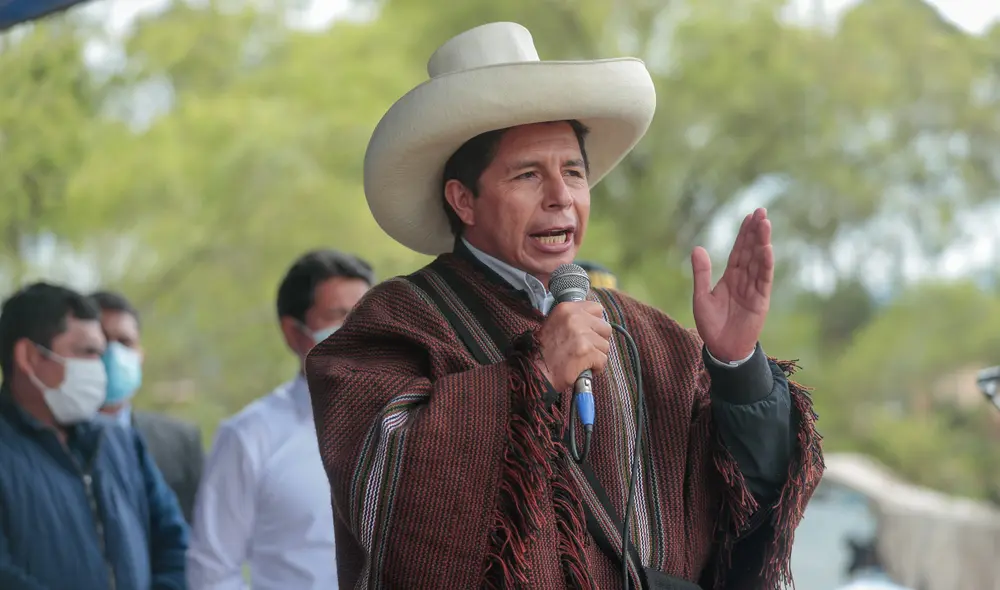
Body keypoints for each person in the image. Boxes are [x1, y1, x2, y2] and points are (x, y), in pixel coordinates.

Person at [306, 22, 824, 590]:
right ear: (463, 200)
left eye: (573, 172)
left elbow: (751, 500)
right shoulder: (393, 325)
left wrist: (735, 365)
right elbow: (391, 503)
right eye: (528, 174)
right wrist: (536, 376)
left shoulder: (647, 333)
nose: (561, 197)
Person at [187, 249, 374, 590]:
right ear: (294, 333)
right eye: (339, 316)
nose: (357, 331)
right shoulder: (249, 437)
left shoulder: (408, 422)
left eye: (364, 316)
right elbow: (211, 571)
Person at [0, 282, 188, 590]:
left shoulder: (122, 443)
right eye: (86, 352)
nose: (100, 368)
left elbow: (174, 543)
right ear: (30, 357)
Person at [92, 290, 205, 524]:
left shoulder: (180, 442)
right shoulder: (46, 440)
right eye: (101, 342)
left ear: (140, 354)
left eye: (125, 342)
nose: (113, 354)